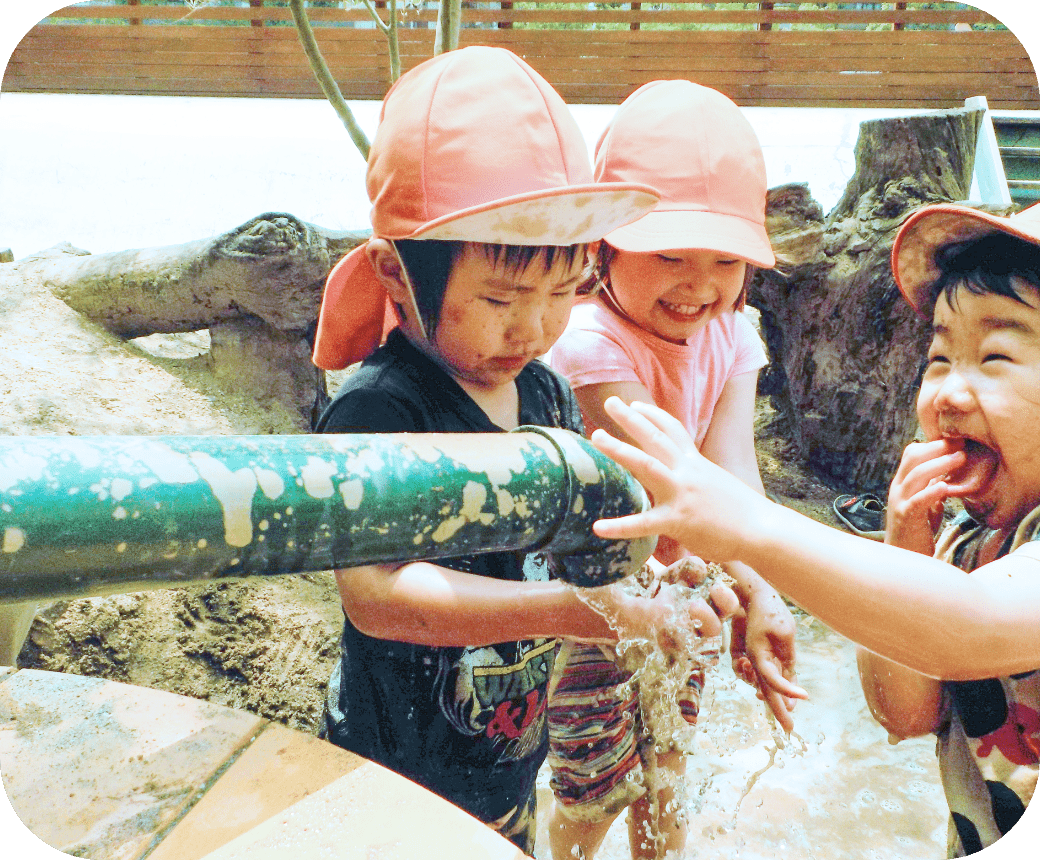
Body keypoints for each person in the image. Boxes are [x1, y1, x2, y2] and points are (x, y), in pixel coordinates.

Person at [309, 47, 740, 856]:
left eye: (560, 290)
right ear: (394, 274)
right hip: (387, 779)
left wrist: (673, 584)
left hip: (507, 767)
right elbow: (375, 595)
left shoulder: (542, 392)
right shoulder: (379, 405)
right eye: (501, 298)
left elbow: (584, 541)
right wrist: (580, 614)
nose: (534, 327)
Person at [585, 201, 1040, 857]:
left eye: (995, 356)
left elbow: (970, 627)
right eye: (940, 356)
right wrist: (905, 540)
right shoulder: (965, 539)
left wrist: (751, 526)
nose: (947, 391)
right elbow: (902, 713)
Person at [545, 80, 804, 860]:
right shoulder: (589, 342)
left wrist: (764, 593)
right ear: (604, 244)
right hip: (588, 597)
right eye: (670, 257)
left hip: (684, 584)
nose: (700, 286)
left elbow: (732, 477)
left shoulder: (735, 334)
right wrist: (725, 578)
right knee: (592, 793)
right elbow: (653, 486)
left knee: (666, 773)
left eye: (726, 260)